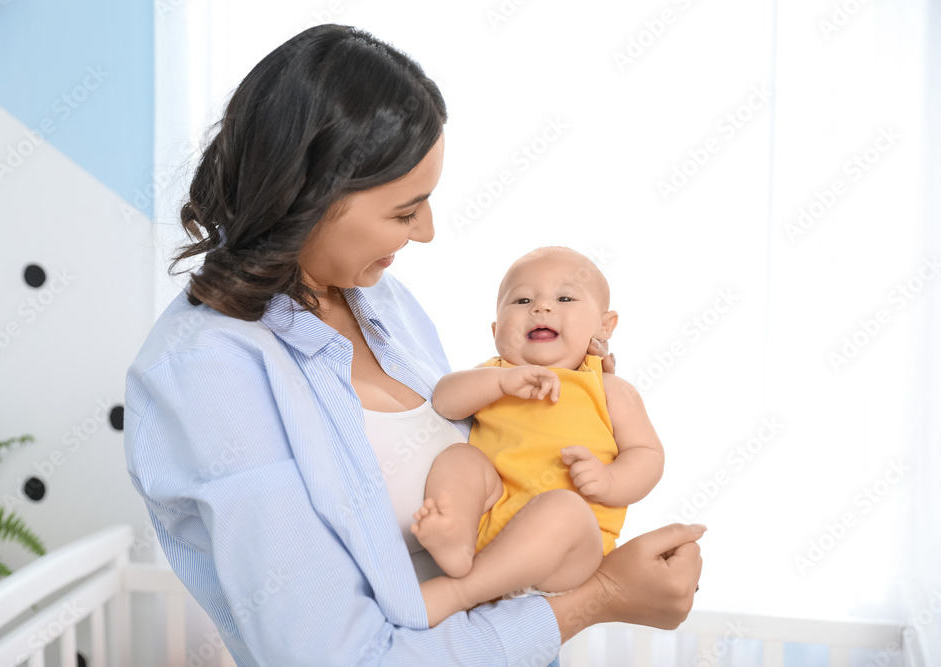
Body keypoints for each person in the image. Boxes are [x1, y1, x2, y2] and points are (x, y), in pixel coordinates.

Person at [123, 23, 704, 667]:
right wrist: (601, 597)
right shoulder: (208, 374)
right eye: (405, 211)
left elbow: (483, 448)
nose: (425, 232)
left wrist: (575, 392)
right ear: (307, 198)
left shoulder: (382, 303)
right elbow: (338, 657)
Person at [409, 247, 665, 627]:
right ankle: (457, 540)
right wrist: (499, 381)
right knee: (460, 460)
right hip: (492, 522)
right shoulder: (496, 376)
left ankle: (460, 591)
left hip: (568, 549)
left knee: (565, 506)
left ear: (604, 326)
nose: (541, 308)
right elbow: (445, 401)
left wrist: (610, 480)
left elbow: (647, 455)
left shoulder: (608, 387)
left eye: (564, 298)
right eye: (523, 299)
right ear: (497, 331)